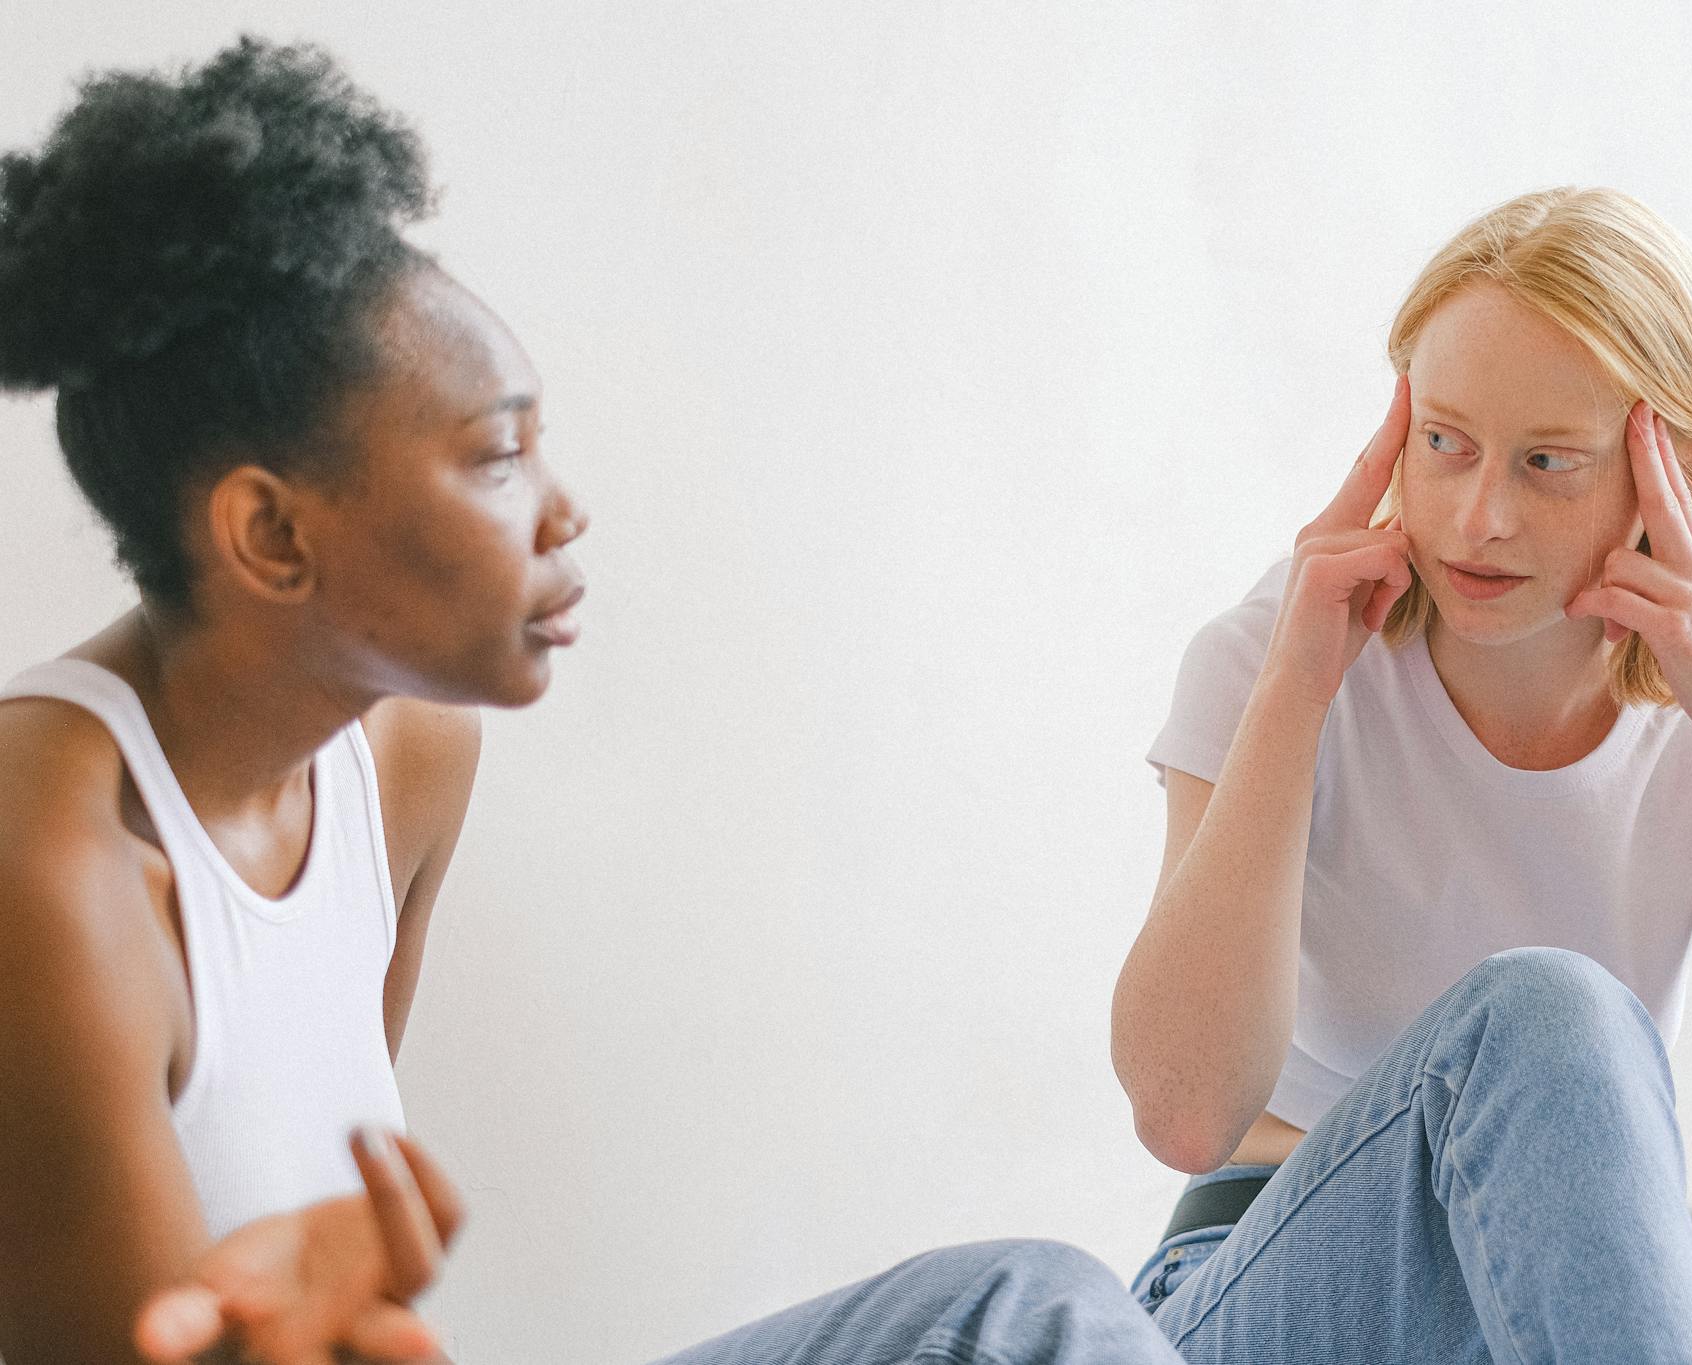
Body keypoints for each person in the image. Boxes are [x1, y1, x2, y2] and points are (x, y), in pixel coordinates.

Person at [0, 39, 1184, 1365]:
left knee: (1027, 1308)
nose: (565, 508)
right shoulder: (49, 864)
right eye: (498, 455)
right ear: (272, 535)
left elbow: (333, 1240)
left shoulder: (404, 750)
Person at [1111, 188, 1692, 1363]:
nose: (1476, 516)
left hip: (1542, 1324)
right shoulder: (1268, 660)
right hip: (1255, 1291)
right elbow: (1184, 1113)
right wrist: (1294, 696)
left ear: (1680, 469)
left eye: (1547, 462)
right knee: (1549, 1012)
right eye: (1442, 442)